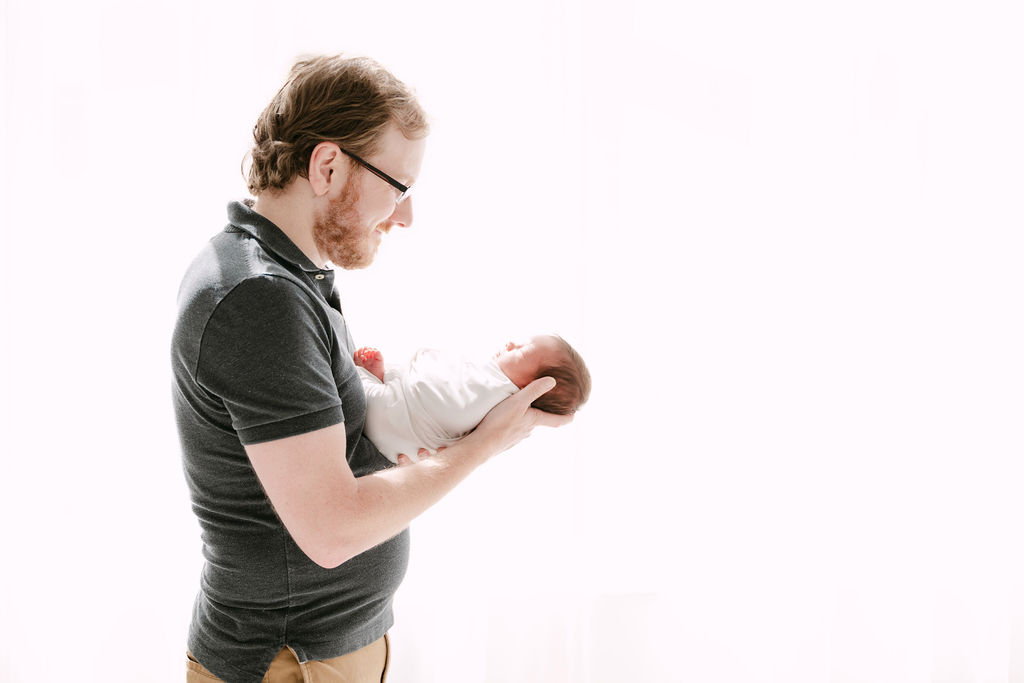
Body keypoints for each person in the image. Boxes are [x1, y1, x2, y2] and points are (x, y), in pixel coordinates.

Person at [171, 54, 572, 683]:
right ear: (328, 166)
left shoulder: (287, 277)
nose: (405, 216)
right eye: (399, 187)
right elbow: (331, 531)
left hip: (317, 649)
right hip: (289, 660)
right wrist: (482, 447)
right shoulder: (259, 298)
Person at [353, 335, 591, 464]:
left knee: (372, 394)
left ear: (532, 387)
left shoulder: (503, 402)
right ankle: (382, 378)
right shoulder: (484, 373)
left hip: (398, 424)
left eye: (521, 351)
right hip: (398, 417)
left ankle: (373, 379)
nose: (510, 343)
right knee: (407, 385)